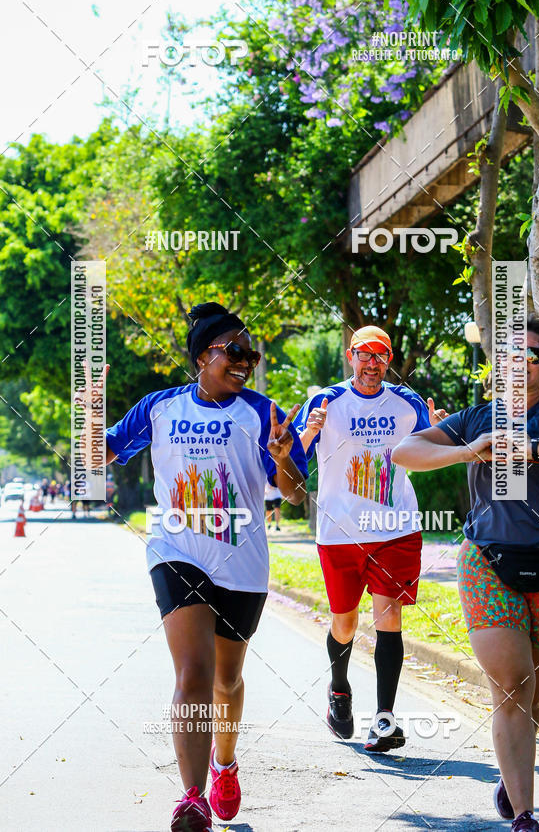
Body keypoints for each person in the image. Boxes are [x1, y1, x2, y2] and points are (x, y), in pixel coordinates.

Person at [104, 302, 308, 832]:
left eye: (251, 355)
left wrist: (284, 457)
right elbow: (94, 454)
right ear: (202, 356)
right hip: (177, 551)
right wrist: (87, 405)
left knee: (226, 679)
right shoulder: (160, 408)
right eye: (234, 352)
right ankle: (192, 797)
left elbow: (295, 496)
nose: (245, 363)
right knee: (192, 673)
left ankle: (224, 762)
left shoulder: (263, 412)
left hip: (242, 562)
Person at [391, 315, 539, 832]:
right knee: (511, 687)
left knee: (536, 693)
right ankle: (526, 816)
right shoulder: (475, 418)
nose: (521, 366)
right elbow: (404, 451)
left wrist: (530, 449)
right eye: (511, 357)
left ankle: (512, 775)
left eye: (532, 356)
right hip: (488, 562)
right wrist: (469, 450)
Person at [295, 325, 447, 752]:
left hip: (394, 529)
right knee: (345, 624)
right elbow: (290, 462)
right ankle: (339, 688)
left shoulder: (408, 403)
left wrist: (440, 430)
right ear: (350, 356)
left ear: (389, 359)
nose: (372, 363)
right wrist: (308, 431)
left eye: (380, 355)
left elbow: (436, 451)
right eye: (365, 354)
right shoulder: (326, 400)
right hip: (340, 532)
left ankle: (384, 720)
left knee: (389, 620)